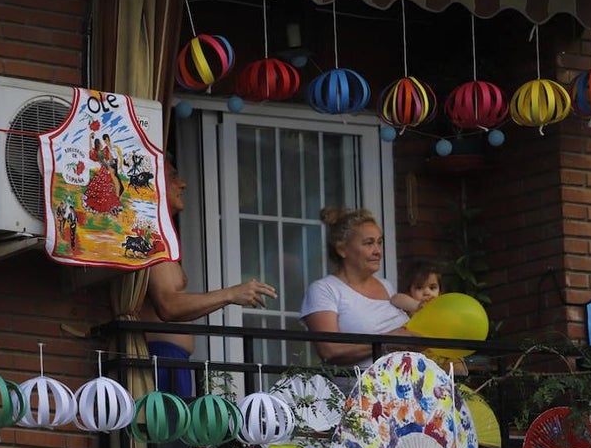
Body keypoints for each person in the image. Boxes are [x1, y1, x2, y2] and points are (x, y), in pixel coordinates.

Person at [140, 160, 278, 396]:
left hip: (170, 360)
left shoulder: (159, 234)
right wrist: (231, 294)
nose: (182, 184)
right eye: (173, 177)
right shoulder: (147, 235)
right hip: (160, 358)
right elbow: (168, 306)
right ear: (151, 182)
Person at [300, 206, 416, 368]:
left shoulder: (386, 285)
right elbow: (330, 350)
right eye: (369, 243)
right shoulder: (324, 289)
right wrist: (387, 341)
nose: (378, 252)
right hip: (360, 390)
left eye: (379, 243)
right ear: (342, 249)